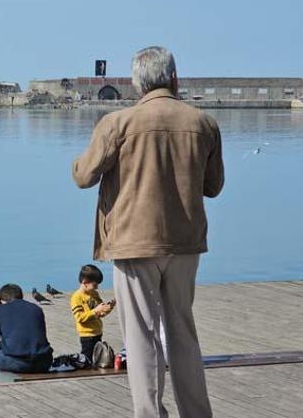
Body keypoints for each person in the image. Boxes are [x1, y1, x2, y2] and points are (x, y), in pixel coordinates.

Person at [72, 46, 224, 418]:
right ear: (174, 78)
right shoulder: (203, 123)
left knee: (140, 336)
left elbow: (83, 176)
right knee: (182, 332)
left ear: (138, 84)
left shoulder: (117, 124)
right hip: (185, 242)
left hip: (133, 241)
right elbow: (214, 186)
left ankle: (149, 413)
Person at [0, 284, 53, 385]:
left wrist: (2, 345)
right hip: (44, 362)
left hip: (20, 363)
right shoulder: (36, 309)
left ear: (1, 300)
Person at [69, 264, 114, 362]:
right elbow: (79, 318)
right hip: (87, 336)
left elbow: (100, 314)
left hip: (98, 333)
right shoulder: (77, 297)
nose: (97, 287)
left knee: (99, 359)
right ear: (85, 282)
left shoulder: (94, 294)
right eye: (95, 285)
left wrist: (108, 308)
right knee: (87, 360)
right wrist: (96, 310)